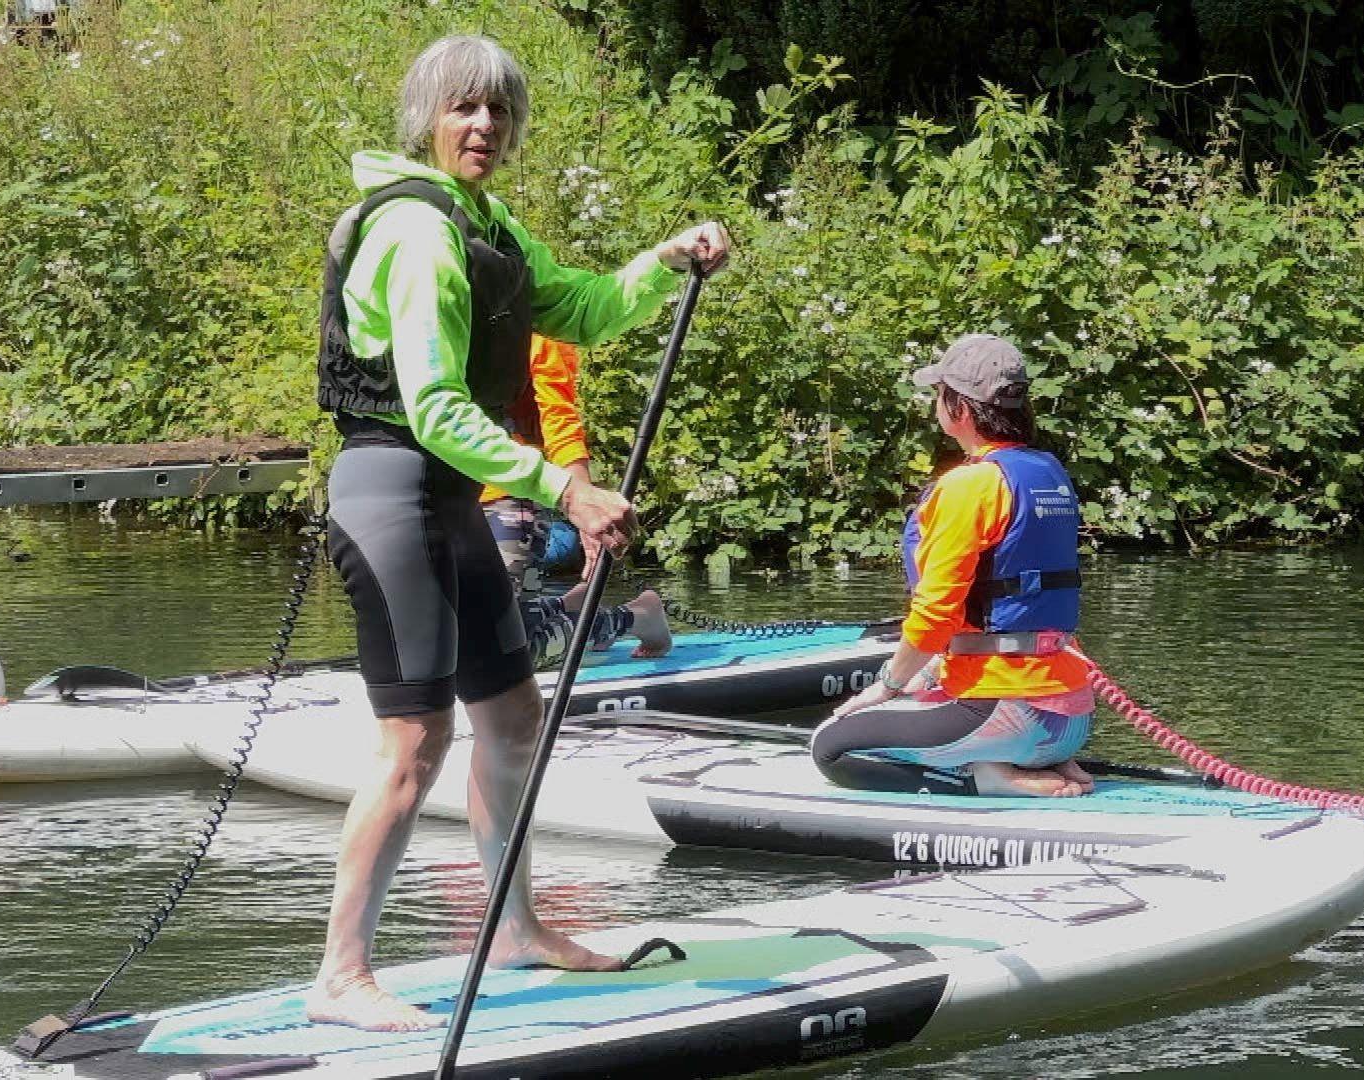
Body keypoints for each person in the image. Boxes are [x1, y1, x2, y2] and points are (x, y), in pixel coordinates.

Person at [312, 34, 729, 1030]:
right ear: (428, 117)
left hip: (452, 506)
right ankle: (339, 976)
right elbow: (435, 408)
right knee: (414, 743)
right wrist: (568, 491)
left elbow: (580, 309)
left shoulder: (484, 221)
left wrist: (663, 262)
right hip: (391, 497)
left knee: (509, 719)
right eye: (465, 108)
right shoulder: (417, 233)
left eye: (500, 111)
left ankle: (512, 928)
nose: (485, 127)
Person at [810, 334, 1094, 798]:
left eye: (940, 395)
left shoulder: (970, 485)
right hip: (1070, 719)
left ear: (959, 409)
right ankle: (1028, 760)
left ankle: (986, 777)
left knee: (831, 746)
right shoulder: (1048, 471)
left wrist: (889, 684)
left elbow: (937, 612)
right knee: (929, 701)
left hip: (1007, 713)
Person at [482, 336, 673, 663]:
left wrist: (584, 505)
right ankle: (568, 606)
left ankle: (637, 617)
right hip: (445, 496)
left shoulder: (535, 326)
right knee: (457, 628)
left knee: (509, 655)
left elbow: (559, 419)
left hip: (508, 496)